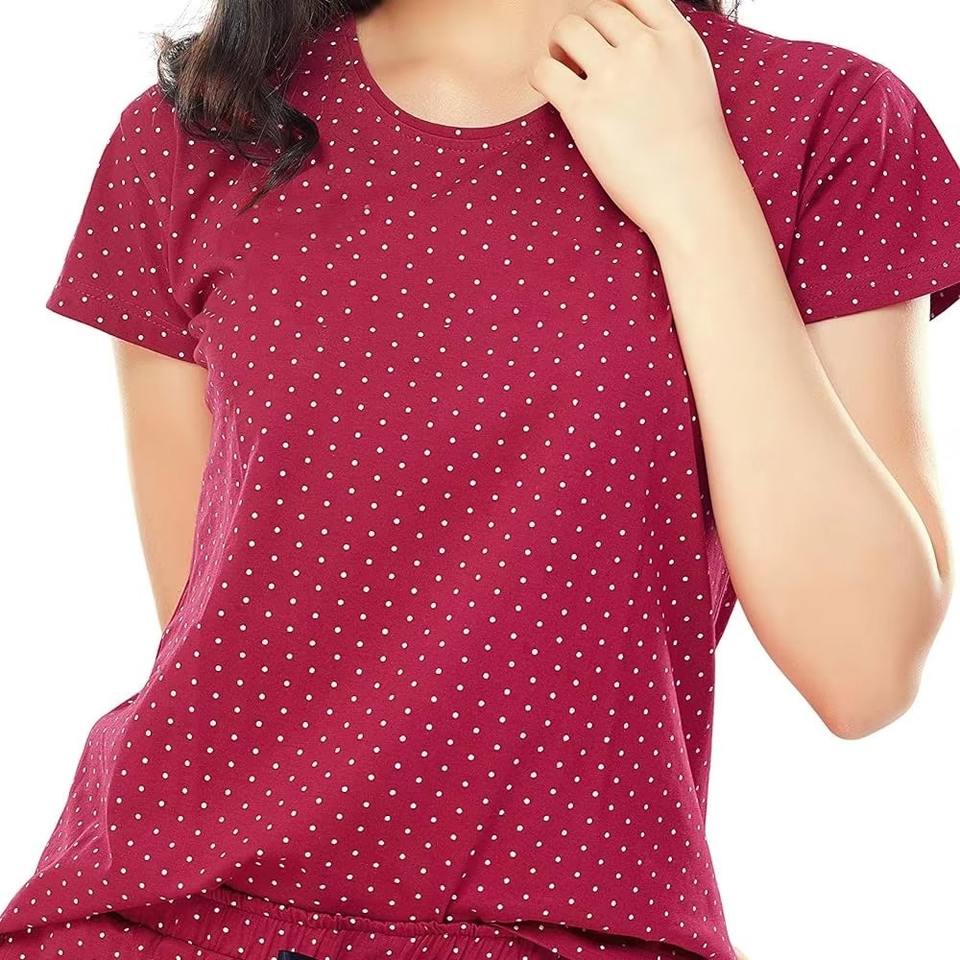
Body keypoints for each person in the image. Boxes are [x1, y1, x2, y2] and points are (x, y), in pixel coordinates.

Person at [2, 0, 959, 958]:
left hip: (567, 929)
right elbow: (216, 632)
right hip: (156, 917)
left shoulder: (817, 118)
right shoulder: (197, 128)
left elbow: (864, 672)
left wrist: (698, 197)